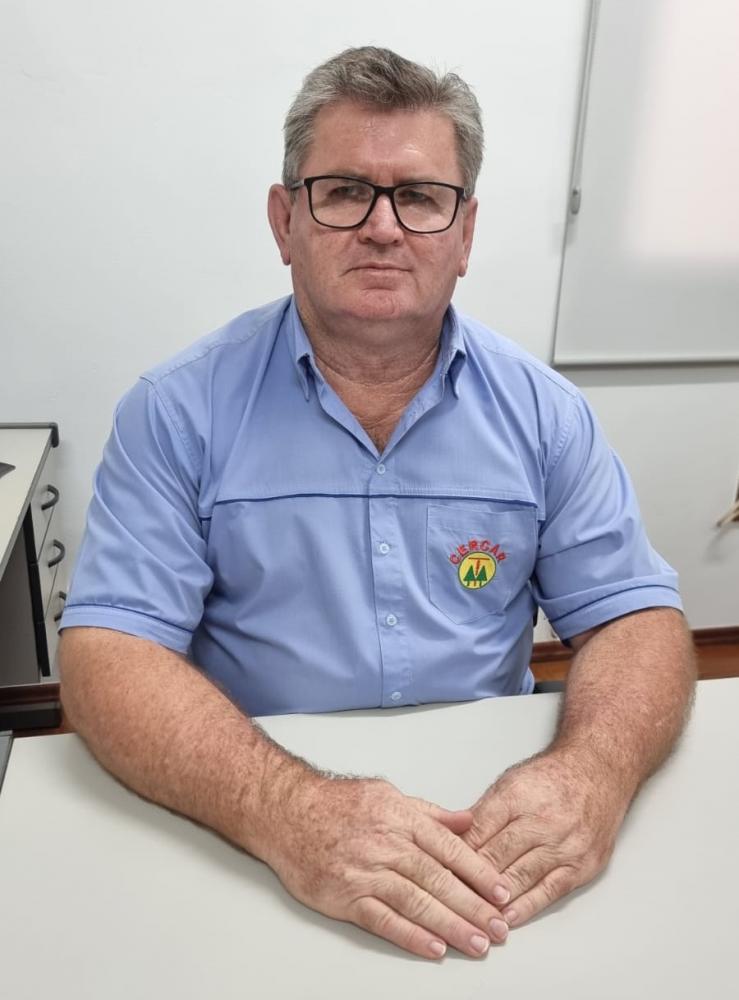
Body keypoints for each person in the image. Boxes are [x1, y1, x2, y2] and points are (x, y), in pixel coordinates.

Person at [58, 46, 696, 961]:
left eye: (420, 197)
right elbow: (109, 655)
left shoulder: (546, 416)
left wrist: (590, 774)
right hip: (246, 814)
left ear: (464, 233)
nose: (383, 228)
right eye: (345, 192)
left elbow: (635, 619)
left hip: (490, 825)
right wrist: (288, 810)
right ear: (285, 220)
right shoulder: (175, 411)